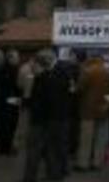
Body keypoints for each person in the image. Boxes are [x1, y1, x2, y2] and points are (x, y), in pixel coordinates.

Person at [22, 49, 74, 182]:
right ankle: (55, 174)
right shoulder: (50, 74)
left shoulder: (56, 74)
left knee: (51, 149)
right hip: (51, 118)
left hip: (52, 118)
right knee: (52, 149)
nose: (33, 66)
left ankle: (55, 174)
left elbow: (51, 98)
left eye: (36, 63)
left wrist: (28, 101)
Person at [76, 55, 109, 171]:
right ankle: (97, 162)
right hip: (102, 109)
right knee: (100, 138)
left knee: (86, 138)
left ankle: (83, 164)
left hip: (88, 110)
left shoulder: (87, 72)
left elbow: (79, 89)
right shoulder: (107, 73)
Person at [0, 50, 22, 156]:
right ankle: (6, 147)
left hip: (8, 101)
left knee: (8, 125)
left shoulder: (9, 69)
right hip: (8, 101)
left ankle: (4, 147)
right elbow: (10, 86)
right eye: (16, 57)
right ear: (10, 58)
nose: (18, 59)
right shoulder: (7, 70)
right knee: (8, 125)